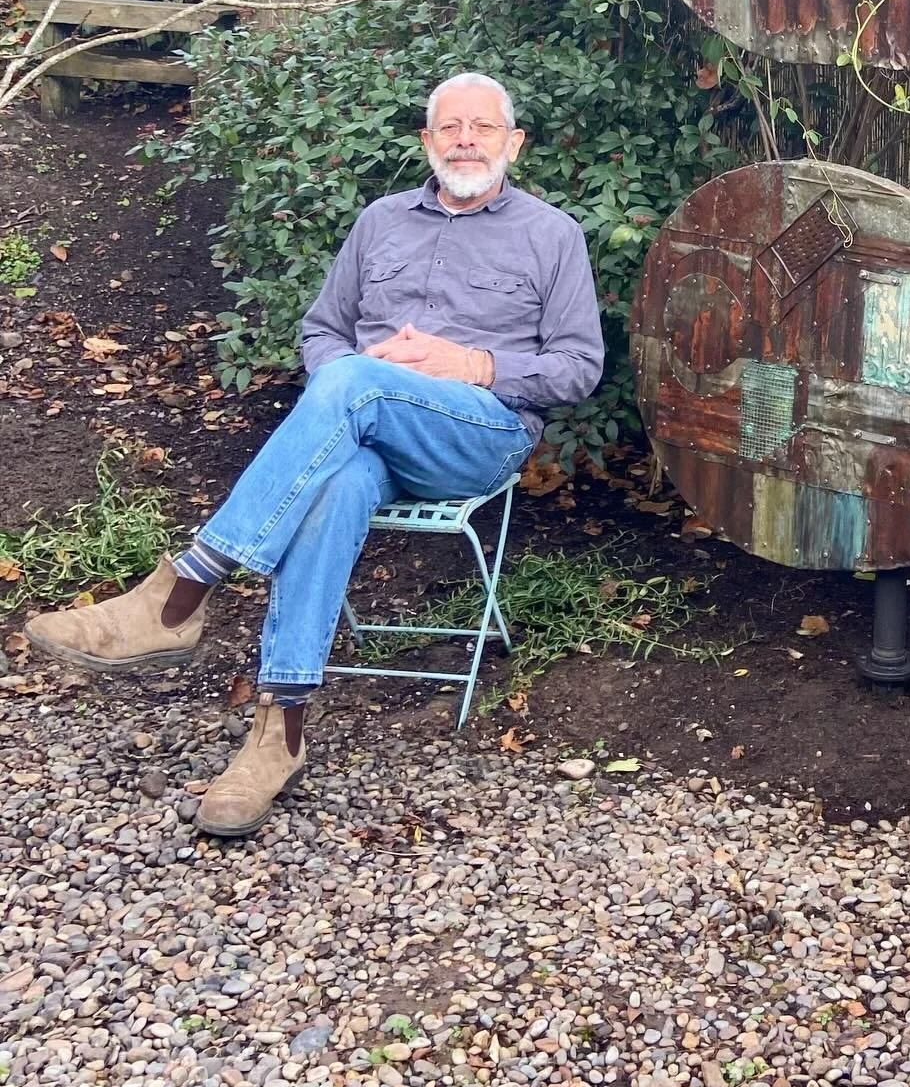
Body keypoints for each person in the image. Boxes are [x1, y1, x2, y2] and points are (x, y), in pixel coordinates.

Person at [25, 72, 604, 836]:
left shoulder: (550, 234)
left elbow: (578, 368)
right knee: (339, 478)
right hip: (367, 431)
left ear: (513, 143)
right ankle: (279, 733)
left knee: (358, 382)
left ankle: (181, 594)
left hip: (479, 434)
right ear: (428, 143)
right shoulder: (380, 223)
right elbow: (323, 332)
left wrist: (472, 366)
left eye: (484, 128)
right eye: (451, 128)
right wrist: (348, 381)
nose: (466, 140)